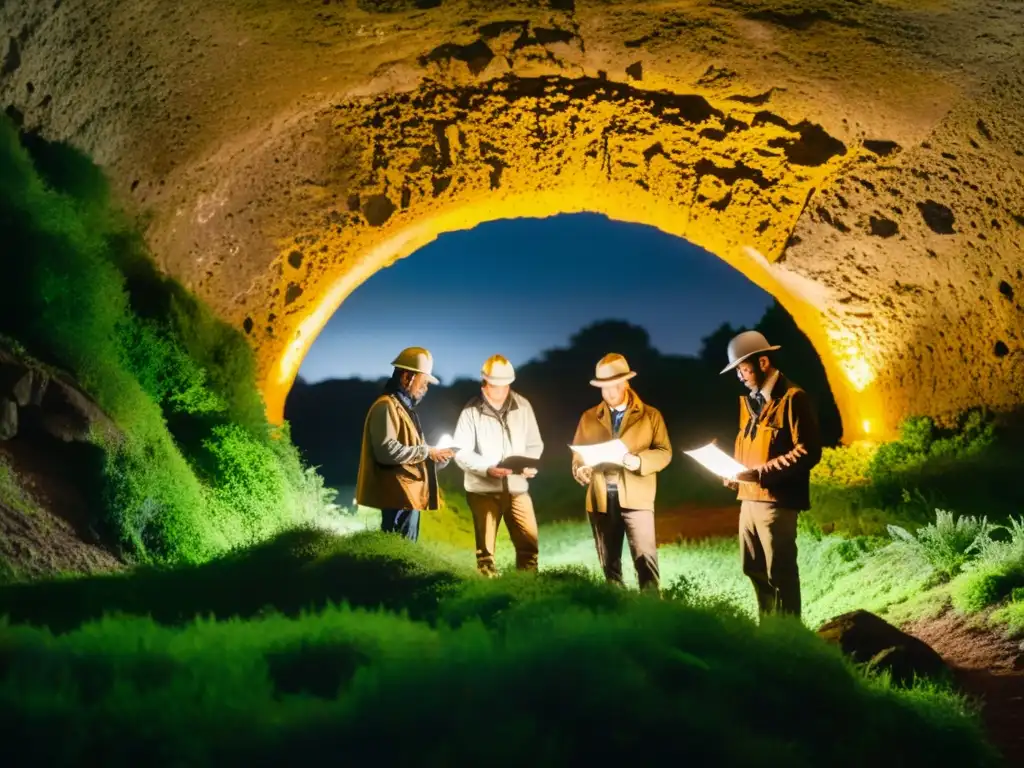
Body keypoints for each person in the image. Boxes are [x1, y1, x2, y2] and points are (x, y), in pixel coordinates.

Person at [721, 330, 822, 619]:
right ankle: (769, 631)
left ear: (763, 362)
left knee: (780, 572)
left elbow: (808, 451)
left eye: (742, 368)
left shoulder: (794, 398)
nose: (739, 376)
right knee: (751, 567)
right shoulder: (751, 402)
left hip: (777, 502)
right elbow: (750, 447)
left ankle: (790, 634)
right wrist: (734, 474)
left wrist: (760, 473)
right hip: (749, 500)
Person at [571, 353, 672, 591]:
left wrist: (638, 462)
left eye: (614, 385)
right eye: (603, 387)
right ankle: (617, 610)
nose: (609, 392)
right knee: (609, 564)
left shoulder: (651, 415)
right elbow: (578, 455)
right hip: (601, 497)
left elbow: (664, 452)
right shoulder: (588, 417)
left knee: (645, 559)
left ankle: (651, 610)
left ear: (626, 382)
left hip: (638, 496)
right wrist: (580, 469)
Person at [452, 355, 544, 576]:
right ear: (485, 384)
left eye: (506, 386)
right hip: (482, 490)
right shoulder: (471, 411)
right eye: (496, 386)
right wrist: (487, 469)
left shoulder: (523, 406)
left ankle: (527, 588)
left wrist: (528, 465)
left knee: (529, 545)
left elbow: (535, 444)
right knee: (485, 554)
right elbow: (460, 452)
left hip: (517, 488)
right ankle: (489, 593)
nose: (502, 391)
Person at [355, 346, 455, 542]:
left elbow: (413, 456)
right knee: (397, 552)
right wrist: (427, 451)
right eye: (424, 382)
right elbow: (386, 451)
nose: (425, 388)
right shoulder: (386, 406)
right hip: (397, 497)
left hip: (407, 497)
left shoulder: (404, 411)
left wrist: (438, 459)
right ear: (407, 377)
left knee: (405, 550)